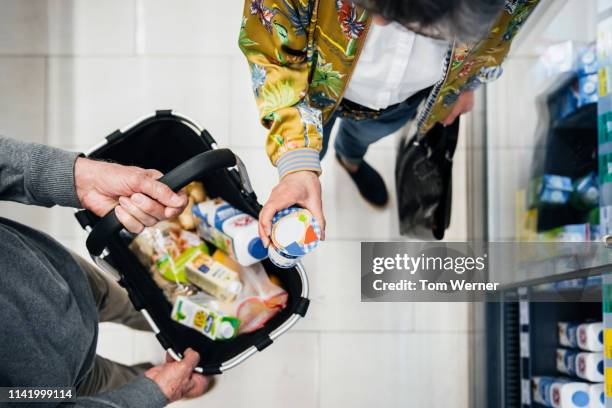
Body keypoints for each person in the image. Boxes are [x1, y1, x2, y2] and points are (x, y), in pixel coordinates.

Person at [239, 0, 539, 244]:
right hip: (312, 90)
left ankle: (351, 159)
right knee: (312, 151)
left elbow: (503, 34)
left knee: (365, 135)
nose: (378, 22)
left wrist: (468, 83)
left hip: (404, 99)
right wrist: (297, 164)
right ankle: (333, 156)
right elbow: (271, 54)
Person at [0, 136, 213, 406]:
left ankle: (184, 335)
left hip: (60, 276)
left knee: (140, 306)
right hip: (50, 391)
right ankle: (178, 375)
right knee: (131, 382)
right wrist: (152, 394)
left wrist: (80, 178)